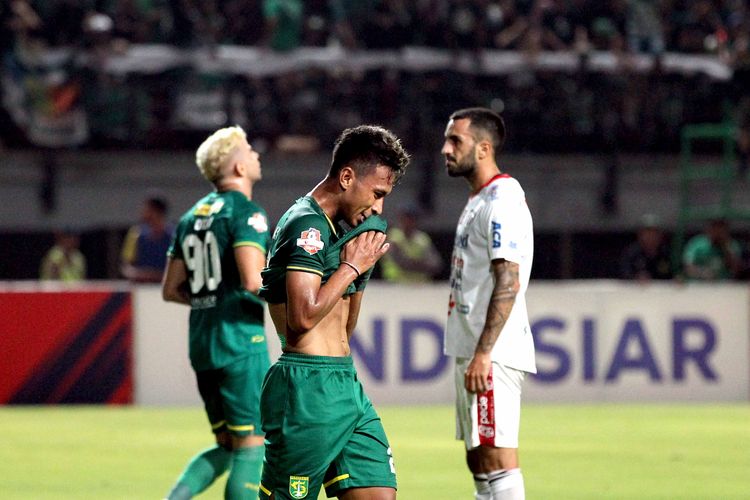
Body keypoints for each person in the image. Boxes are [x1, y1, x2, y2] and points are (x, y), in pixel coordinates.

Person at [257, 125, 410, 499]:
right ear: (346, 177)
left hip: (345, 385)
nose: (378, 208)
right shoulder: (305, 224)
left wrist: (361, 273)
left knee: (378, 494)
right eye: (376, 193)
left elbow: (346, 328)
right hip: (306, 388)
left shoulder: (334, 230)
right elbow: (301, 320)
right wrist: (351, 268)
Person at [161, 126, 271, 500]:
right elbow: (253, 283)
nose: (256, 155)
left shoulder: (190, 216)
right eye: (250, 150)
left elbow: (171, 289)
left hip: (203, 342)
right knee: (253, 444)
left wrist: (210, 299)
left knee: (228, 443)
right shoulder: (247, 212)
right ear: (239, 167)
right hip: (240, 341)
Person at [441, 107, 536, 500]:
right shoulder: (479, 198)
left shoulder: (503, 198)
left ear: (483, 148)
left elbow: (508, 280)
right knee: (479, 459)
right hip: (473, 350)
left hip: (491, 354)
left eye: (454, 141)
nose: (445, 149)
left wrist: (484, 353)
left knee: (497, 457)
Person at [379, 204, 443, 283]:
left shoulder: (422, 239)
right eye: (406, 218)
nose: (408, 221)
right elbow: (401, 263)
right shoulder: (393, 236)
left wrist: (414, 264)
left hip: (420, 286)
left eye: (412, 218)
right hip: (395, 284)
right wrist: (423, 265)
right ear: (401, 219)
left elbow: (436, 265)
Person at [120, 191, 174, 283]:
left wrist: (157, 276)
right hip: (142, 289)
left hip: (166, 288)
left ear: (157, 212)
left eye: (147, 209)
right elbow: (126, 267)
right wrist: (141, 274)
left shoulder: (174, 236)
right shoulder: (135, 233)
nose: (142, 212)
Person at [619, 213, 673, 281]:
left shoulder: (667, 253)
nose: (650, 236)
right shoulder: (631, 254)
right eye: (647, 233)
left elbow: (674, 274)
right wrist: (636, 278)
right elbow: (624, 274)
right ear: (640, 234)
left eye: (654, 233)